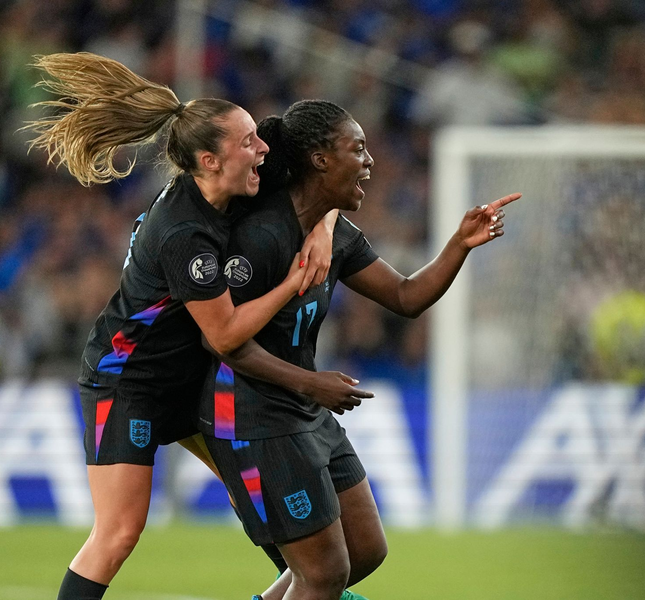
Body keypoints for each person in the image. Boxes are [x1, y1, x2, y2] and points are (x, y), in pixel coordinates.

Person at [25, 52, 358, 600]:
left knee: (258, 486)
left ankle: (317, 586)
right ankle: (319, 585)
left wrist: (323, 226)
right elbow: (225, 334)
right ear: (208, 160)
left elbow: (325, 180)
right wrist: (292, 281)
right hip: (128, 382)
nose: (264, 148)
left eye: (258, 136)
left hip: (189, 377)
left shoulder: (247, 167)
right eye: (249, 141)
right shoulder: (184, 232)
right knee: (119, 532)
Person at [196, 99, 520, 600]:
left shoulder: (334, 232)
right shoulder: (260, 236)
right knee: (323, 575)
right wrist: (312, 382)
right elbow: (221, 342)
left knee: (365, 550)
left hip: (304, 408)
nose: (370, 162)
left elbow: (405, 296)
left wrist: (459, 244)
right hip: (252, 416)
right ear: (322, 159)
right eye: (359, 149)